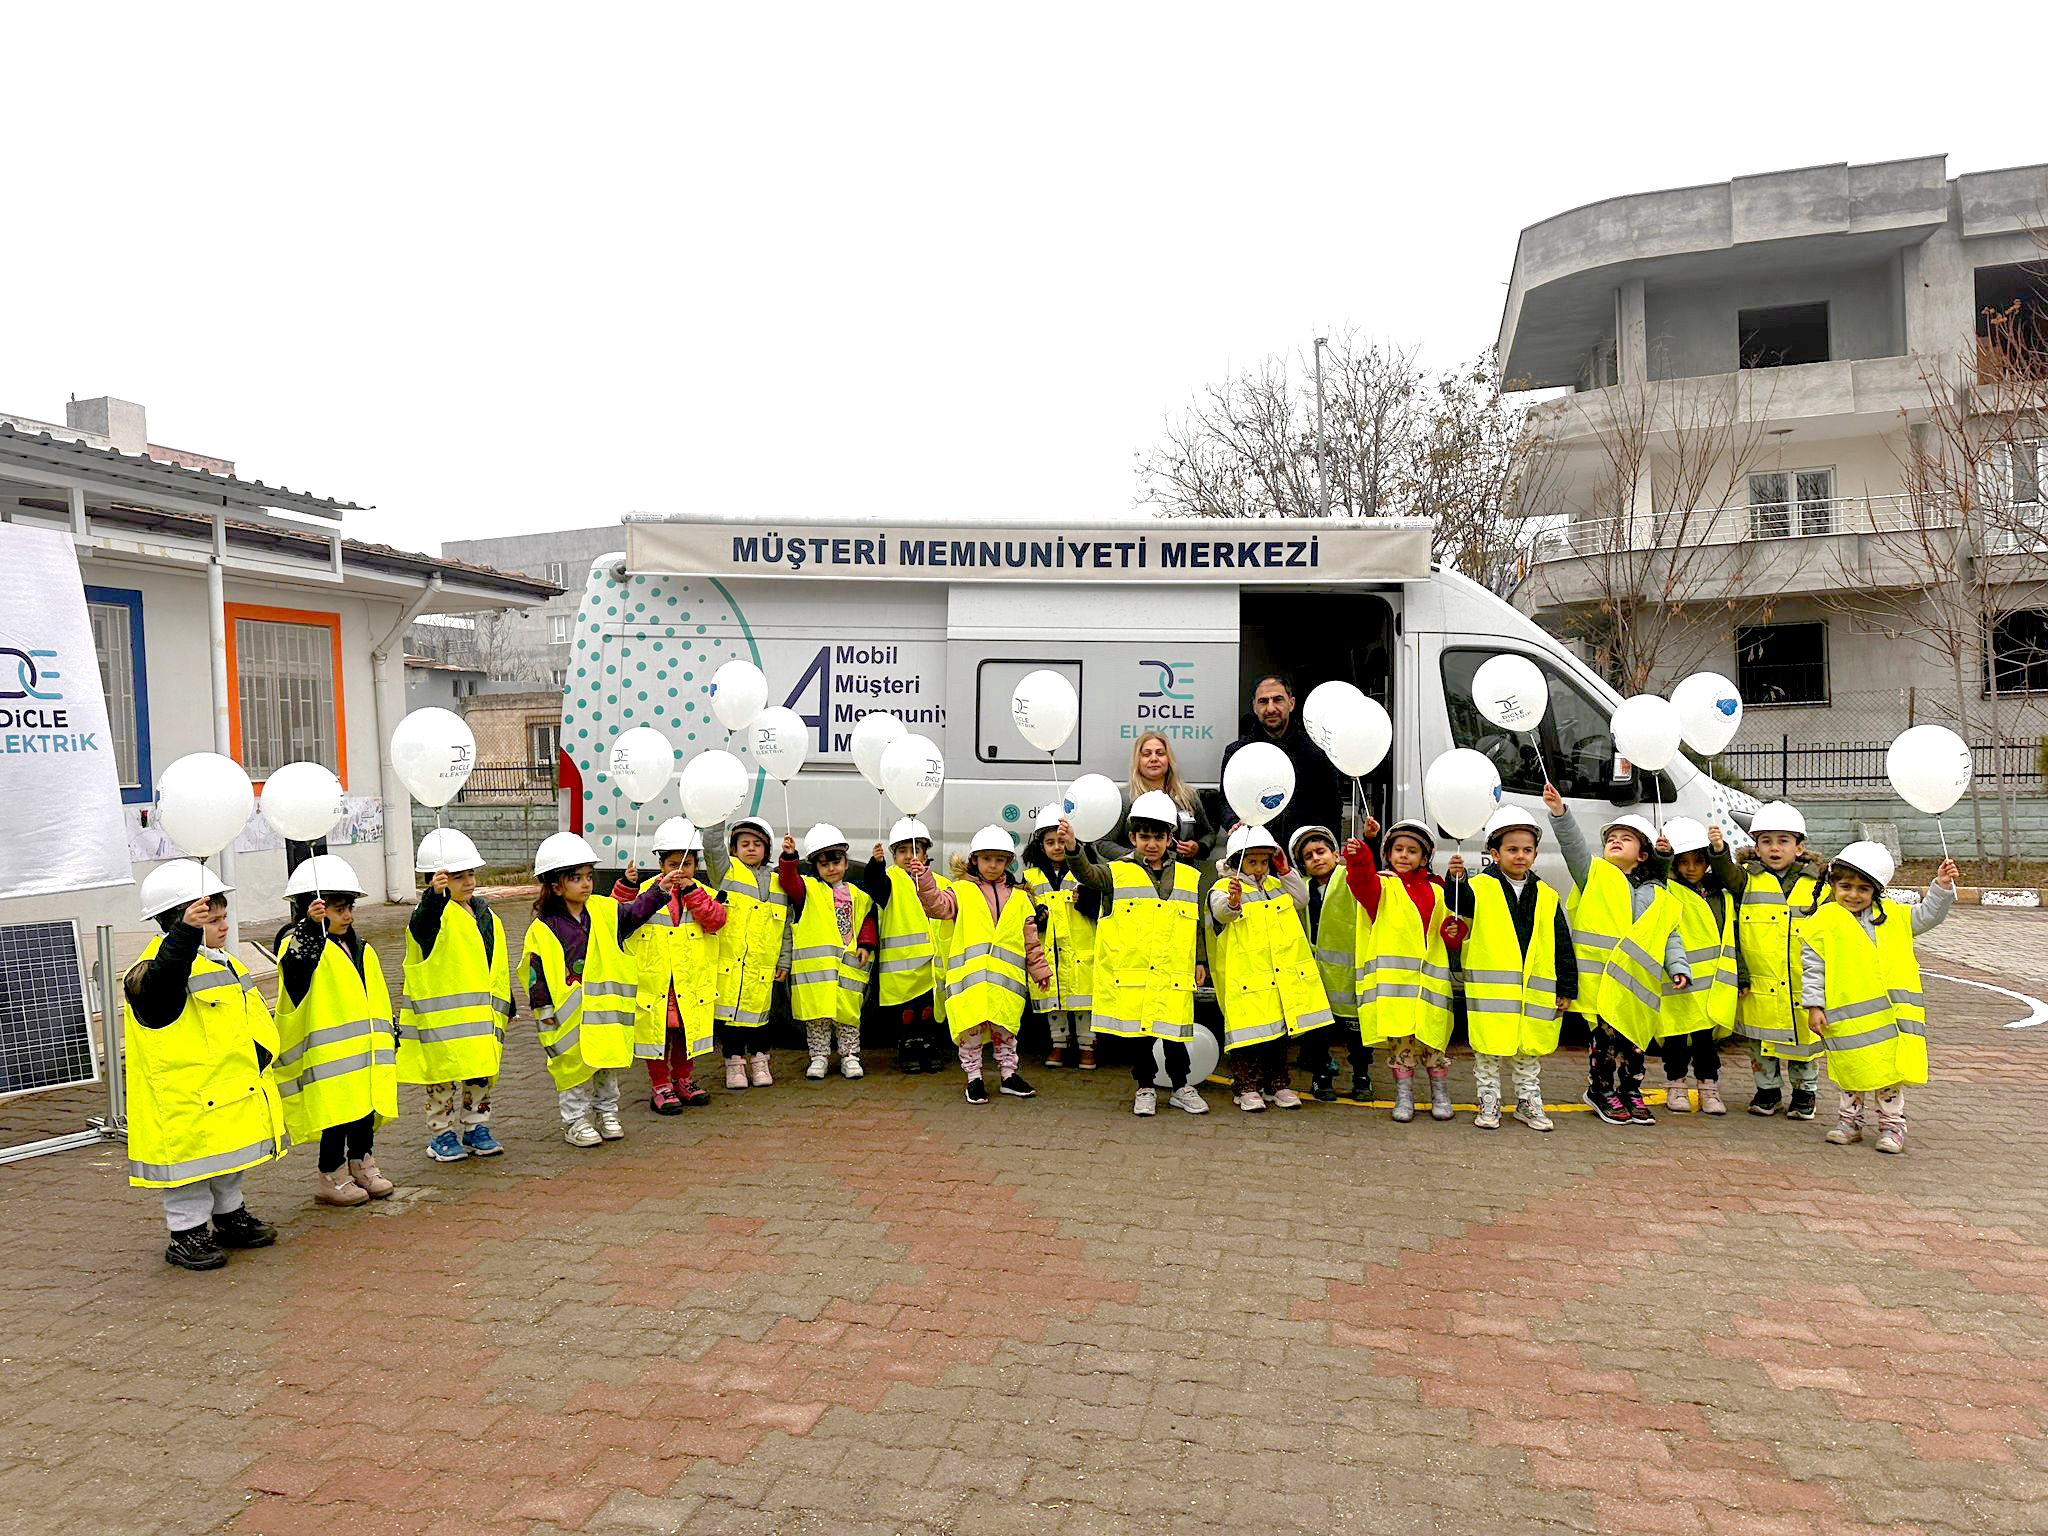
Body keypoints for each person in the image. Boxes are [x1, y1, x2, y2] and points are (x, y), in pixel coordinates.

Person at [123, 861, 282, 1271]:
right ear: (180, 924)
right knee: (189, 1173)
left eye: (223, 917)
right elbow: (162, 992)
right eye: (212, 919)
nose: (223, 926)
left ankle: (231, 1217)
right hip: (185, 1099)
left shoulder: (220, 960)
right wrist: (186, 935)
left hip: (225, 1090)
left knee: (229, 1163)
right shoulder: (153, 968)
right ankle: (187, 1234)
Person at [1802, 842, 1956, 1154]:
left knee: (1888, 1075)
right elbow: (1813, 968)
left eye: (1863, 889)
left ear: (1876, 892)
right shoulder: (1822, 922)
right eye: (1845, 887)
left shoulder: (1893, 918)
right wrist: (1814, 1005)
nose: (1853, 895)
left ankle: (1891, 1125)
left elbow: (1928, 916)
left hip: (1890, 1021)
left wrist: (1941, 886)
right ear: (1832, 886)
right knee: (1851, 1073)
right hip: (1843, 1017)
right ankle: (1849, 1122)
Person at [522, 833, 674, 1147]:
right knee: (573, 1071)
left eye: (589, 876)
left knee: (607, 1067)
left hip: (604, 1014)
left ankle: (607, 1113)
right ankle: (575, 1121)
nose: (586, 883)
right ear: (555, 885)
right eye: (575, 878)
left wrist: (659, 891)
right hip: (569, 1018)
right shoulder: (544, 927)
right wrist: (544, 1012)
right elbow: (535, 974)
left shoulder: (605, 911)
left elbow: (633, 913)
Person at [1546, 787, 1686, 1126]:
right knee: (1605, 1043)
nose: (1616, 841)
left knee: (1636, 1045)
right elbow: (1573, 847)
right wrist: (1561, 814)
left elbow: (1668, 934)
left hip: (1637, 990)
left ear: (1643, 855)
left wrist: (1678, 966)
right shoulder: (1593, 874)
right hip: (1601, 987)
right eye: (1612, 837)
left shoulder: (1658, 894)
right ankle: (1601, 1089)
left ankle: (1631, 1091)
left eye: (1626, 838)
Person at [1068, 791, 1210, 1116]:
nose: (1151, 843)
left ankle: (1180, 1087)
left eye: (1159, 837)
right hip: (1136, 974)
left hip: (1173, 972)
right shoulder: (1115, 872)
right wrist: (1074, 849)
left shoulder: (1188, 877)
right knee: (1142, 1035)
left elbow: (1197, 923)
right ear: (1132, 837)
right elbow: (1086, 874)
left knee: (1176, 1034)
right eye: (1144, 836)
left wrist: (1200, 960)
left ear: (1170, 838)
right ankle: (1145, 1086)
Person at [272, 856, 397, 1206]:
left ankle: (362, 1162)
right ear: (310, 909)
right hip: (331, 1057)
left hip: (363, 1053)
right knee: (336, 1117)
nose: (348, 916)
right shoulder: (298, 945)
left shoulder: (359, 946)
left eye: (349, 907)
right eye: (338, 909)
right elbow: (296, 972)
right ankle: (331, 1173)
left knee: (363, 1112)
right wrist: (312, 929)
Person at [1444, 806, 1576, 1132]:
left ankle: (1528, 1102)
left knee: (1527, 1053)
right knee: (1488, 1051)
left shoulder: (1546, 894)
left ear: (1535, 853)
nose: (1520, 856)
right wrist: (1454, 879)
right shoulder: (1479, 887)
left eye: (1527, 850)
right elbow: (1457, 902)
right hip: (1491, 995)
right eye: (1512, 850)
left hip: (1533, 993)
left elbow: (1561, 941)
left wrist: (1567, 987)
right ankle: (1489, 1101)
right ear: (1495, 854)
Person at [909, 825, 1052, 1103]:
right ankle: (974, 1079)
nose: (993, 865)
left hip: (1005, 986)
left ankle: (1009, 1075)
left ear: (1008, 862)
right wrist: (924, 877)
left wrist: (1039, 970)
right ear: (975, 860)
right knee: (971, 1034)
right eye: (987, 859)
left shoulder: (1022, 898)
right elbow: (936, 906)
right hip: (971, 983)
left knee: (1006, 1032)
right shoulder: (961, 891)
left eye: (1000, 860)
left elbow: (1031, 941)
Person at [399, 828, 511, 1163]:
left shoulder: (485, 914)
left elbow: (493, 963)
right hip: (445, 1023)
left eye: (471, 874)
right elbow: (422, 925)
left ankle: (477, 1126)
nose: (468, 882)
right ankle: (441, 1133)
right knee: (442, 1081)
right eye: (458, 876)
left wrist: (507, 1001)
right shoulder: (432, 916)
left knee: (481, 1074)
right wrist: (434, 897)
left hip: (481, 1018)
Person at [1344, 817, 1463, 1122]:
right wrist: (1361, 855)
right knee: (1401, 1049)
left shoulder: (1438, 889)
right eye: (1398, 849)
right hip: (1396, 990)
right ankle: (1404, 1097)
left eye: (1412, 851)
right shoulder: (1381, 886)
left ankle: (1440, 1093)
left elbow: (1451, 930)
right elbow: (1360, 881)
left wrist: (1455, 932)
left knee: (1434, 1046)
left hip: (1431, 988)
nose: (1404, 855)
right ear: (1388, 853)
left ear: (1425, 858)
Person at [1209, 825, 1331, 1111]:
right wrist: (1234, 901)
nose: (1259, 868)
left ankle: (1277, 1084)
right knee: (1247, 1039)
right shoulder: (1222, 888)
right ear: (1235, 862)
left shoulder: (1277, 887)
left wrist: (1285, 869)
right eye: (1252, 862)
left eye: (1264, 862)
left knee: (1278, 1037)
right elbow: (1221, 914)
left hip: (1278, 978)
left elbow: (1301, 900)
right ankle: (1245, 1086)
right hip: (1247, 979)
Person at [614, 819, 727, 1113]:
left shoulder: (703, 892)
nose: (680, 871)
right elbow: (617, 915)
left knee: (685, 1032)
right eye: (673, 864)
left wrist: (692, 893)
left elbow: (716, 920)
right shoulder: (648, 891)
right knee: (658, 1034)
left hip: (688, 982)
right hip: (657, 980)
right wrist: (626, 886)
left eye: (687, 865)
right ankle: (660, 1084)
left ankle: (683, 1079)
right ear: (661, 863)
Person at [1728, 802, 1826, 1120]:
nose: (1774, 848)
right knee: (1761, 1041)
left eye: (1783, 841)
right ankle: (1767, 1090)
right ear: (1755, 847)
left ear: (1799, 848)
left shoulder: (1818, 886)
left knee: (1804, 1043)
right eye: (1766, 841)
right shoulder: (1746, 880)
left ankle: (1804, 1093)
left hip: (1803, 981)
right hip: (1761, 979)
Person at [1656, 818, 1744, 1116]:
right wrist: (1661, 855)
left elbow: (1732, 934)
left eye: (1698, 861)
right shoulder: (1667, 889)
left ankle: (1709, 1087)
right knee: (1676, 1036)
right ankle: (1676, 1084)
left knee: (1707, 1041)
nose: (1691, 868)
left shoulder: (1720, 892)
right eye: (1683, 862)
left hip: (1710, 982)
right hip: (1677, 979)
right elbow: (1652, 875)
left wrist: (1720, 850)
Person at [779, 824, 877, 1079]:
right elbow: (788, 881)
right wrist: (790, 858)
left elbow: (867, 918)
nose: (831, 868)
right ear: (816, 867)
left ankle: (850, 1057)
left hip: (848, 970)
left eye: (836, 862)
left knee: (847, 1018)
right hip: (817, 976)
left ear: (846, 863)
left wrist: (865, 945)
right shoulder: (807, 891)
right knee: (817, 1020)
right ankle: (819, 1057)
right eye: (824, 864)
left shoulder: (857, 894)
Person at [857, 816, 950, 1075]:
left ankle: (928, 1046)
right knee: (908, 1012)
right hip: (904, 967)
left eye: (916, 850)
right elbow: (874, 884)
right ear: (893, 855)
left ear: (925, 854)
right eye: (902, 851)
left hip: (931, 965)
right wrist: (875, 865)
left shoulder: (940, 882)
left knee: (929, 1010)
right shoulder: (890, 880)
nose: (910, 856)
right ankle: (908, 1046)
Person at [1290, 824, 1372, 1102]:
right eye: (1308, 856)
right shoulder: (1302, 889)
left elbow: (1368, 877)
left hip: (1349, 974)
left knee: (1358, 1035)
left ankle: (1362, 1078)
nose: (1316, 858)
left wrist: (1366, 844)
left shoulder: (1349, 879)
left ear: (1336, 855)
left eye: (1321, 851)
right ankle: (1321, 1078)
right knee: (1318, 1036)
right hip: (1317, 975)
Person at [704, 816, 787, 1090]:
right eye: (744, 844)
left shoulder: (778, 883)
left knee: (761, 1021)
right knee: (731, 1021)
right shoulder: (726, 874)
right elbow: (712, 848)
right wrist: (716, 817)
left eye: (757, 844)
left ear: (767, 850)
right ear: (734, 850)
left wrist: (784, 961)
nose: (751, 849)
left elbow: (786, 927)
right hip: (732, 967)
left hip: (762, 969)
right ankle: (734, 1066)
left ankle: (761, 1063)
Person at [1218, 674, 1344, 847]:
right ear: (1254, 707)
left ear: (1291, 703)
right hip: (1256, 856)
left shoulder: (1318, 752)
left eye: (1278, 700)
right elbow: (1225, 802)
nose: (1271, 709)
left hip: (1305, 856)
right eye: (1263, 701)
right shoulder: (1237, 752)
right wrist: (1233, 823)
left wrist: (1331, 851)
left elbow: (1332, 808)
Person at [1023, 805, 1098, 1068]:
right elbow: (1024, 914)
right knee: (1052, 999)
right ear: (1040, 845)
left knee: (1083, 999)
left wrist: (1086, 902)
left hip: (1081, 948)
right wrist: (1038, 917)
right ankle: (1059, 1044)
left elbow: (1099, 910)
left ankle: (1087, 1046)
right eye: (1050, 842)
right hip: (1049, 950)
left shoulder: (1085, 872)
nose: (1057, 847)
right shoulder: (1030, 878)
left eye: (1062, 841)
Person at [1103, 730, 1215, 863]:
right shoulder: (1124, 799)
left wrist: (1197, 848)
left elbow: (1208, 834)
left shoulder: (1187, 795)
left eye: (1160, 753)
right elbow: (1103, 844)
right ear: (1138, 760)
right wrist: (1137, 857)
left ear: (1169, 759)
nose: (1154, 758)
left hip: (1179, 878)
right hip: (1136, 876)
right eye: (1146, 754)